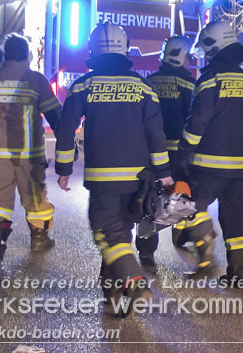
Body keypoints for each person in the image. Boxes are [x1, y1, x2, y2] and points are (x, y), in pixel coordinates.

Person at [54, 22, 171, 316]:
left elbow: (66, 127)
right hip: (138, 179)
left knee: (108, 233)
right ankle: (113, 293)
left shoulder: (83, 85)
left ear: (93, 50)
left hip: (103, 179)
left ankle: (134, 282)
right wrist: (164, 172)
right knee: (120, 233)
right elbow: (156, 134)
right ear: (125, 48)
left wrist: (64, 166)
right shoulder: (143, 87)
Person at [175, 20, 243, 287]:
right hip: (242, 164)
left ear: (216, 47)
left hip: (209, 164)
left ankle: (206, 257)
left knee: (190, 206)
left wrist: (184, 150)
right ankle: (240, 273)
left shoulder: (210, 80)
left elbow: (197, 121)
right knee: (235, 217)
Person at [0, 34, 62, 270]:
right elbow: (54, 114)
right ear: (27, 55)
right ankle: (39, 240)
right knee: (35, 198)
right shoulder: (36, 80)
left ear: (5, 54)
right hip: (29, 156)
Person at [135, 35, 195, 274]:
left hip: (151, 152)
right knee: (178, 195)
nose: (190, 61)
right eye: (188, 56)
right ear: (181, 56)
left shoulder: (149, 82)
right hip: (178, 152)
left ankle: (146, 252)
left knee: (150, 198)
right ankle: (180, 235)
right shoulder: (190, 84)